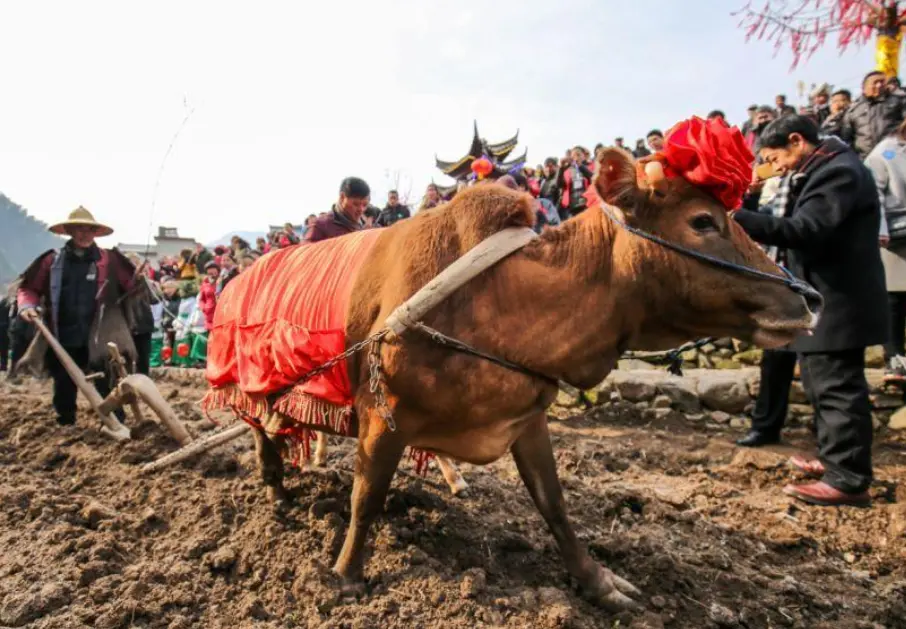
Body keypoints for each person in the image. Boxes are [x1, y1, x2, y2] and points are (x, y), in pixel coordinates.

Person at [733, 115, 888, 507]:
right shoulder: (824, 170)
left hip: (840, 299)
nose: (777, 167)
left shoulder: (838, 173)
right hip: (826, 298)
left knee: (837, 388)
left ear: (797, 140)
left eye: (776, 157)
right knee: (821, 385)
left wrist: (736, 219)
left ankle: (849, 479)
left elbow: (805, 230)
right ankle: (836, 459)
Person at [17, 206, 137, 426]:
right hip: (63, 331)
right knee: (63, 381)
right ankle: (66, 422)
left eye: (88, 229)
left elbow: (131, 285)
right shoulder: (51, 261)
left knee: (107, 381)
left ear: (95, 232)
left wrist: (139, 280)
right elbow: (28, 289)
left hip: (99, 334)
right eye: (78, 229)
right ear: (70, 232)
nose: (84, 234)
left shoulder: (109, 259)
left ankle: (116, 422)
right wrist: (27, 306)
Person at [865, 118, 906, 374]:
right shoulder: (886, 152)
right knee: (894, 296)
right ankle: (894, 355)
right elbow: (873, 192)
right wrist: (880, 229)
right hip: (896, 230)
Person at [306, 177, 371, 243]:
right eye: (356, 204)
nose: (361, 210)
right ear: (342, 197)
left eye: (365, 205)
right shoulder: (320, 226)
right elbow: (306, 252)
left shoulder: (368, 226)